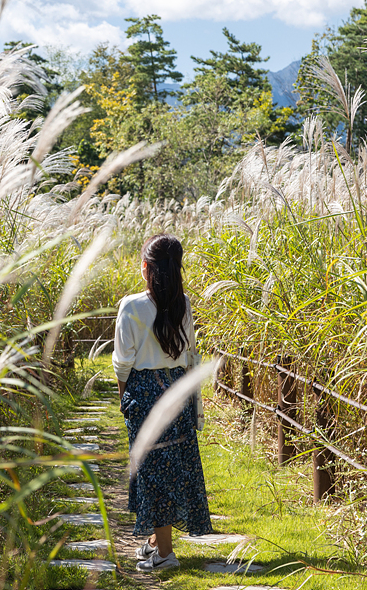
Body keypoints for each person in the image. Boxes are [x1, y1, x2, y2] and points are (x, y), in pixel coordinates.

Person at [113, 234, 213, 573]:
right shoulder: (184, 303)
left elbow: (122, 362)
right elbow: (188, 354)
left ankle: (166, 555)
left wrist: (124, 397)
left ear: (146, 267)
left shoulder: (131, 305)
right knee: (173, 469)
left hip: (144, 392)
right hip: (176, 390)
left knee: (153, 473)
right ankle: (158, 541)